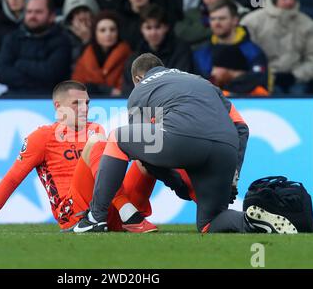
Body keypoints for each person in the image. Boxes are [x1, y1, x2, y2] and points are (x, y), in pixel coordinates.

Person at [73, 53, 298, 234]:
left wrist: (177, 183)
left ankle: (95, 217)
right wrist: (233, 175)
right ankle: (250, 222)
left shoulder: (140, 90)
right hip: (225, 148)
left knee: (117, 139)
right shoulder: (201, 81)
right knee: (211, 221)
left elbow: (145, 153)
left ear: (137, 79)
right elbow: (241, 127)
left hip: (183, 140)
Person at [0, 80, 158, 233]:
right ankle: (128, 212)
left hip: (105, 211)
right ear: (57, 107)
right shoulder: (42, 137)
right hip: (73, 214)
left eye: (87, 103)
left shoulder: (95, 128)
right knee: (97, 141)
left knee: (147, 153)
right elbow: (12, 178)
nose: (85, 109)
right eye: (76, 103)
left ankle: (131, 214)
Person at [240, 0, 313, 95]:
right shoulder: (252, 21)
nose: (289, 1)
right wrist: (264, 75)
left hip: (296, 80)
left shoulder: (307, 23)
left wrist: (295, 76)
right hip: (260, 79)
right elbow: (243, 55)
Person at [0, 0, 72, 96]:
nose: (32, 16)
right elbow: (2, 73)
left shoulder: (62, 40)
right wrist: (35, 79)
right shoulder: (12, 38)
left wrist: (20, 64)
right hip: (13, 98)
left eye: (38, 12)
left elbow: (51, 75)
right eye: (29, 12)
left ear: (52, 16)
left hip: (48, 99)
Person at [193, 0, 269, 96]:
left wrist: (229, 76)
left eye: (222, 18)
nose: (217, 23)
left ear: (235, 20)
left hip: (248, 106)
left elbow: (259, 81)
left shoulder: (253, 51)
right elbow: (195, 84)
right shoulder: (201, 53)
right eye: (213, 19)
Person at [122, 3, 193, 94]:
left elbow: (182, 82)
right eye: (148, 28)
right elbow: (128, 91)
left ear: (166, 27)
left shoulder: (181, 50)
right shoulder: (134, 58)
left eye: (157, 27)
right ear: (141, 29)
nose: (153, 33)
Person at [72, 11, 132, 96]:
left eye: (112, 30)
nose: (108, 34)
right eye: (102, 30)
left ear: (118, 32)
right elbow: (76, 88)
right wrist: (106, 89)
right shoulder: (85, 56)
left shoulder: (128, 57)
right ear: (95, 33)